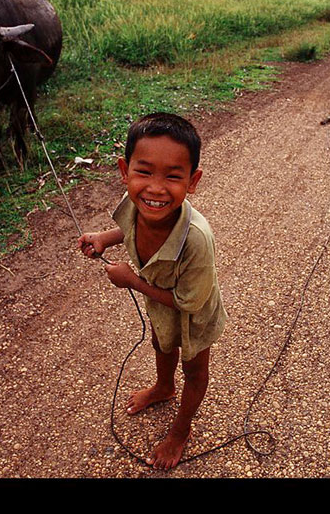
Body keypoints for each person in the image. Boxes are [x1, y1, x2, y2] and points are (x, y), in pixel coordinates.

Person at [78, 112, 226, 470]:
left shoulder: (197, 240)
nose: (156, 189)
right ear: (124, 171)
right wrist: (103, 238)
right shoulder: (136, 202)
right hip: (160, 303)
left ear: (193, 181)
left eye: (173, 177)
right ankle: (163, 387)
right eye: (144, 172)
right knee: (161, 343)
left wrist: (132, 281)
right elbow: (128, 228)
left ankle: (180, 431)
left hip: (194, 314)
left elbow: (189, 301)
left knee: (194, 368)